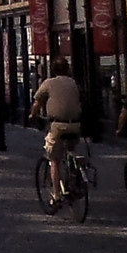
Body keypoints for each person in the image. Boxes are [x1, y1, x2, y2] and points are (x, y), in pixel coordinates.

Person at [30, 57, 87, 201]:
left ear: (53, 70)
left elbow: (37, 102)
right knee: (71, 149)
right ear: (67, 69)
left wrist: (32, 114)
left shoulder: (49, 83)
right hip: (75, 124)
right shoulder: (74, 83)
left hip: (58, 125)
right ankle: (76, 172)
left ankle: (56, 195)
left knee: (54, 159)